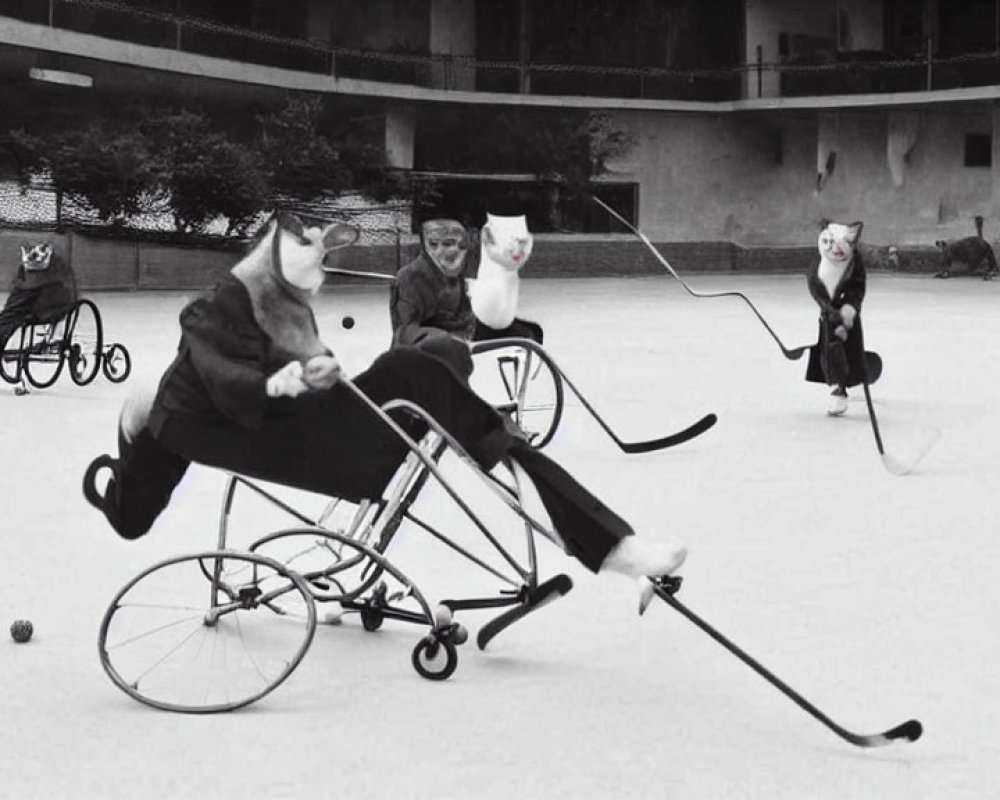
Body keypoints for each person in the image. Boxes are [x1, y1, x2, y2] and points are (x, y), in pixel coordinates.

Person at [83, 211, 686, 589]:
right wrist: (282, 383)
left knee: (421, 366)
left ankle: (610, 543)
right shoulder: (216, 309)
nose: (321, 270)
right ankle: (607, 544)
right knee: (134, 514)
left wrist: (312, 374)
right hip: (279, 438)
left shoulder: (283, 312)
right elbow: (227, 382)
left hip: (307, 433)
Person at [804, 220, 870, 416]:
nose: (836, 252)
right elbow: (815, 288)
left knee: (848, 353)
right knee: (830, 354)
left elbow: (858, 287)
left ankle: (845, 385)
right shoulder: (818, 264)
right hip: (828, 317)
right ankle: (838, 387)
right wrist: (829, 311)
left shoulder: (854, 263)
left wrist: (850, 306)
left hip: (848, 318)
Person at [0, 242, 78, 346]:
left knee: (7, 320)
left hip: (37, 310)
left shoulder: (32, 281)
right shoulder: (59, 274)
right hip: (47, 308)